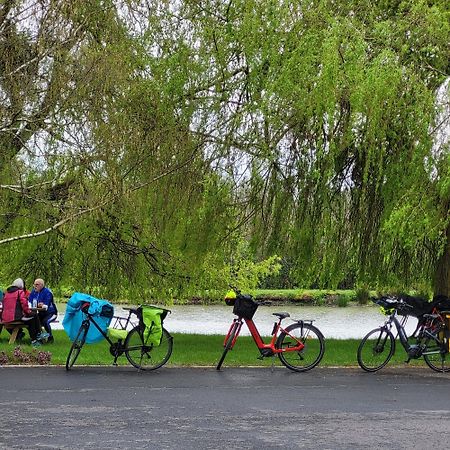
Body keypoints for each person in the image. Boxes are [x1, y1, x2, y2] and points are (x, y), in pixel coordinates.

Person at [1, 278, 48, 347]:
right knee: (33, 316)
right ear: (21, 286)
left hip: (6, 318)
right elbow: (24, 305)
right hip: (15, 317)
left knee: (32, 317)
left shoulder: (6, 293)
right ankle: (35, 338)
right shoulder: (20, 292)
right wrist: (28, 312)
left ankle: (37, 336)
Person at [28, 278, 57, 343]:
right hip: (41, 313)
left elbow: (46, 305)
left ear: (42, 285)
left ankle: (50, 337)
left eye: (37, 284)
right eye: (34, 284)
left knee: (45, 322)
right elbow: (29, 302)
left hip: (51, 313)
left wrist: (43, 305)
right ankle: (37, 338)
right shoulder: (33, 292)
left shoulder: (47, 292)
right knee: (32, 320)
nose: (35, 286)